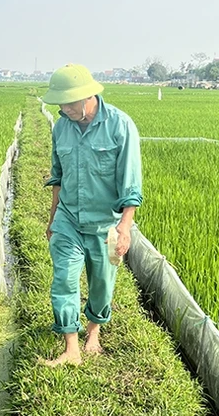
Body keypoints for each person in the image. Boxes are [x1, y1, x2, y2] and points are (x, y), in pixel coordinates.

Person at [40, 63, 143, 366]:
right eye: (60, 103)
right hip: (68, 219)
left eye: (69, 103)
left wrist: (125, 227)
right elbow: (58, 176)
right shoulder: (61, 127)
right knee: (64, 279)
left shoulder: (120, 126)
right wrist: (52, 219)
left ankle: (93, 332)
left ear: (87, 97)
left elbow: (131, 184)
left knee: (102, 283)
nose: (64, 108)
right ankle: (71, 346)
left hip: (105, 225)